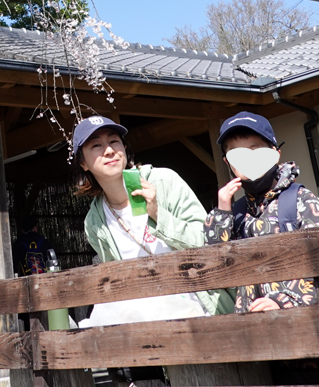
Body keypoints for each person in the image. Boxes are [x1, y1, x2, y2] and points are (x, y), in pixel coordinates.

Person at [75, 114, 233, 318]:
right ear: (83, 163)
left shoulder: (164, 181)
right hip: (141, 315)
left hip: (196, 304)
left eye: (114, 141)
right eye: (96, 145)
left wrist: (158, 214)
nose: (109, 150)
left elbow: (207, 242)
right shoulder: (95, 222)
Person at [204, 111, 319, 313]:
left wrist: (283, 300)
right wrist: (221, 213)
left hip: (305, 323)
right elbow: (215, 268)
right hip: (254, 328)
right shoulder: (234, 213)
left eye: (255, 150)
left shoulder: (301, 200)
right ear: (228, 163)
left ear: (275, 153)